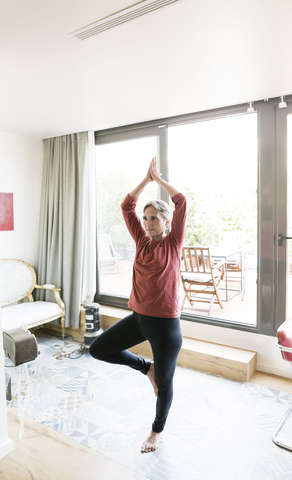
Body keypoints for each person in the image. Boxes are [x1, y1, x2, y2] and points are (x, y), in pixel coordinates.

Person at [90, 157, 187, 453]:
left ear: (166, 221)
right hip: (138, 318)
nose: (147, 223)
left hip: (165, 326)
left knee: (166, 385)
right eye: (145, 219)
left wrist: (158, 181)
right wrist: (144, 181)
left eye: (153, 218)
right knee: (98, 349)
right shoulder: (141, 242)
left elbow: (182, 201)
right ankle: (147, 368)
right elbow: (126, 207)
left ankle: (156, 432)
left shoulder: (173, 243)